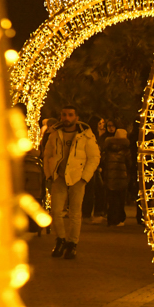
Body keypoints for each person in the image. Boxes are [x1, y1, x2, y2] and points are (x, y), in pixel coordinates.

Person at [42, 106, 101, 259]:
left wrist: (84, 177)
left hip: (77, 177)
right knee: (56, 211)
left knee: (75, 213)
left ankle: (72, 243)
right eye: (64, 115)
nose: (67, 118)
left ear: (76, 117)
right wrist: (49, 174)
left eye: (70, 115)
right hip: (59, 177)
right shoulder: (54, 134)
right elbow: (47, 155)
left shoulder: (85, 135)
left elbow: (94, 157)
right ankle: (60, 239)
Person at [101, 128, 131, 226]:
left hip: (110, 177)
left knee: (111, 199)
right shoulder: (126, 150)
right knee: (120, 199)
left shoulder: (108, 148)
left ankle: (111, 219)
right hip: (122, 177)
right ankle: (119, 219)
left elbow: (103, 161)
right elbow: (129, 163)